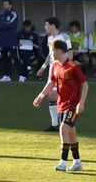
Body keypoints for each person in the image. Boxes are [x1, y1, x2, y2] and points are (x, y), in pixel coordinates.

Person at [32, 38, 86, 171]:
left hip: (73, 106)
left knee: (63, 129)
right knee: (71, 133)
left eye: (51, 50)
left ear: (58, 51)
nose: (50, 53)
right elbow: (51, 83)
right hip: (61, 105)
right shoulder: (55, 66)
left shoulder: (73, 67)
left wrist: (81, 103)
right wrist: (41, 96)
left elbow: (85, 85)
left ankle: (63, 162)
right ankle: (77, 161)